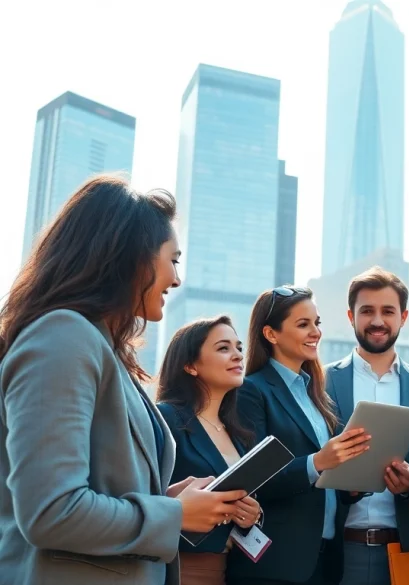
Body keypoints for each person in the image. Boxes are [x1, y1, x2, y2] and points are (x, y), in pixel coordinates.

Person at [0, 175, 246, 585]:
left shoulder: (101, 348)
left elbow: (96, 491)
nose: (177, 279)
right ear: (134, 258)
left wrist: (168, 499)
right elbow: (51, 512)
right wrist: (176, 514)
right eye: (174, 259)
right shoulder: (63, 336)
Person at [233, 286, 369, 585]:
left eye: (317, 323)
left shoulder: (318, 397)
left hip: (325, 558)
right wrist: (318, 462)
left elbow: (328, 481)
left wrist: (353, 483)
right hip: (275, 565)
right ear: (271, 334)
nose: (315, 332)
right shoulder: (250, 391)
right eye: (303, 324)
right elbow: (252, 479)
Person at [324, 267, 409, 585]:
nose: (377, 321)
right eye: (367, 311)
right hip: (339, 552)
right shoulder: (319, 382)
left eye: (388, 311)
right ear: (351, 316)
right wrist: (341, 482)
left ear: (403, 317)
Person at [156, 316, 263, 585]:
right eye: (223, 348)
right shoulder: (165, 418)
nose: (238, 355)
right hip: (179, 570)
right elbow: (142, 494)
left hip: (225, 571)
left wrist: (250, 518)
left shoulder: (238, 433)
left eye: (239, 348)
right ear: (190, 365)